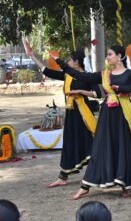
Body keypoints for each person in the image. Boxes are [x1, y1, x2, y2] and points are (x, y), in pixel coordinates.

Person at [54, 45, 131, 199]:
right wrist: (60, 62)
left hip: (123, 114)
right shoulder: (105, 74)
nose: (107, 57)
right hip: (107, 115)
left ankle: (126, 184)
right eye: (107, 55)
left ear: (119, 56)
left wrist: (123, 88)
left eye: (110, 54)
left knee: (124, 146)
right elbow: (83, 77)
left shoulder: (129, 73)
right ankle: (85, 187)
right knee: (100, 146)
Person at [23, 39, 100, 188]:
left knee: (89, 143)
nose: (68, 62)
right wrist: (32, 56)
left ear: (77, 62)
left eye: (70, 60)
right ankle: (63, 177)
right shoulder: (68, 75)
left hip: (83, 114)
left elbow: (97, 94)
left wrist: (80, 91)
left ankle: (99, 172)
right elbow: (47, 71)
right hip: (71, 114)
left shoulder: (88, 77)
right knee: (70, 144)